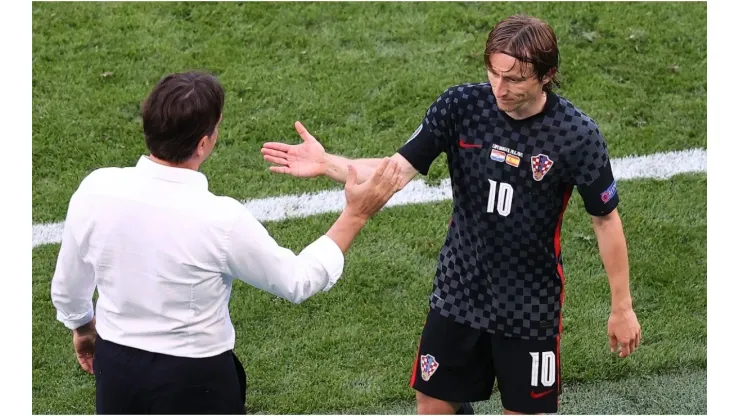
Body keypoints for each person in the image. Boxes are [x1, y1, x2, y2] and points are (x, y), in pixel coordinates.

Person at [261, 14, 642, 415]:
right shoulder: (461, 107)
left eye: (515, 79)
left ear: (547, 75)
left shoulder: (577, 135)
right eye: (494, 73)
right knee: (432, 403)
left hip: (529, 305)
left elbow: (605, 219)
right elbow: (395, 170)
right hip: (459, 291)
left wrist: (622, 307)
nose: (501, 87)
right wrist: (328, 164)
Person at [50, 70, 402, 415]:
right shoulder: (220, 219)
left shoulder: (95, 189)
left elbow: (68, 286)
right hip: (194, 381)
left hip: (117, 371)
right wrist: (355, 215)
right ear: (204, 143)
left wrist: (82, 326)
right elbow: (298, 281)